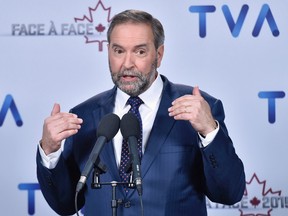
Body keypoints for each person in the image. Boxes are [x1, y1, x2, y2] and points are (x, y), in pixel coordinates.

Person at [36, 9, 245, 216]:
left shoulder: (199, 108)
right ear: (108, 51)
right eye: (119, 51)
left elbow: (229, 194)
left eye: (140, 52)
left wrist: (209, 131)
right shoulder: (84, 116)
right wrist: (50, 150)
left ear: (159, 55)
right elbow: (64, 204)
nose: (127, 64)